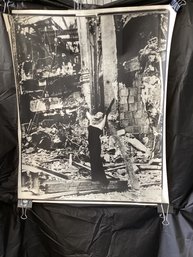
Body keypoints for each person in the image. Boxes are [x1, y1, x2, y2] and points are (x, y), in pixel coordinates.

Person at [86, 99, 115, 186]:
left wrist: (106, 114)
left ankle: (102, 179)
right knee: (92, 160)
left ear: (101, 117)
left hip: (96, 145)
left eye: (100, 114)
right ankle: (95, 177)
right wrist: (86, 108)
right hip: (91, 144)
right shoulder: (91, 122)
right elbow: (88, 115)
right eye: (98, 113)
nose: (98, 114)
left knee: (97, 160)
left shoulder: (100, 125)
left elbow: (104, 118)